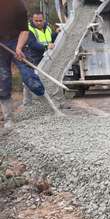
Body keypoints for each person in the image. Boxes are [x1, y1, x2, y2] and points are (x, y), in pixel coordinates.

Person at [0, 0, 46, 129]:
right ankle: (8, 119)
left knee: (28, 75)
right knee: (3, 81)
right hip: (1, 44)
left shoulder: (18, 5)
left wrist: (19, 48)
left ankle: (47, 107)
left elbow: (24, 31)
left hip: (17, 40)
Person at [23, 11, 58, 106]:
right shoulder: (29, 29)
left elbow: (49, 38)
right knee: (30, 79)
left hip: (46, 57)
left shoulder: (48, 27)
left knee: (46, 79)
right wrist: (47, 46)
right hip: (33, 57)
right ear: (32, 20)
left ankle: (49, 101)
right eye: (36, 20)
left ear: (44, 20)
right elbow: (33, 44)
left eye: (40, 20)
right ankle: (28, 103)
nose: (38, 22)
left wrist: (56, 34)